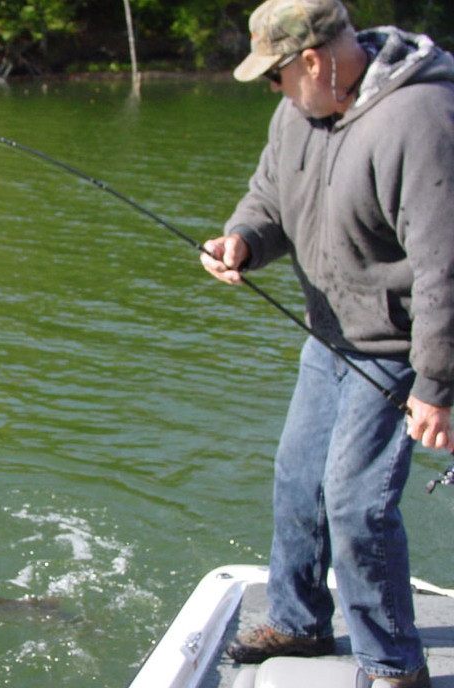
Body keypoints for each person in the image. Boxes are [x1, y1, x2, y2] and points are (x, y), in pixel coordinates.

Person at [200, 0, 454, 686]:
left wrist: (436, 385)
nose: (272, 92)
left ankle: (395, 665)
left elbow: (445, 266)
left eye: (274, 77)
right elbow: (270, 200)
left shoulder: (420, 119)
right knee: (298, 480)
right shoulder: (298, 114)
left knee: (355, 505)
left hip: (401, 350)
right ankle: (299, 621)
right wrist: (243, 240)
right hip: (330, 337)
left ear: (310, 61)